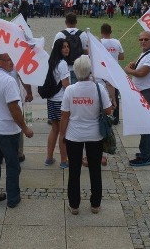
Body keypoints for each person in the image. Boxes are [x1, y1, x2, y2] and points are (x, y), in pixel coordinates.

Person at [60, 55, 113, 215]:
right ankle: (95, 204)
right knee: (95, 170)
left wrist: (62, 135)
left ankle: (74, 205)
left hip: (74, 135)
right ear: (90, 71)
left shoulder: (70, 90)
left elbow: (64, 115)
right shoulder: (99, 88)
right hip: (95, 135)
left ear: (75, 71)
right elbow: (108, 110)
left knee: (74, 171)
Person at [0, 53, 34, 209]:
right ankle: (13, 198)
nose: (12, 63)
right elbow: (14, 108)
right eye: (8, 60)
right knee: (12, 165)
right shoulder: (9, 81)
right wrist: (25, 128)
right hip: (7, 130)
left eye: (12, 59)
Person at [124, 31, 150, 167]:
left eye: (146, 39)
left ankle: (145, 156)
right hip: (144, 92)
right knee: (149, 125)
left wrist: (128, 70)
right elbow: (138, 68)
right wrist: (133, 66)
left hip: (149, 93)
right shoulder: (145, 54)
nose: (143, 41)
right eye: (140, 39)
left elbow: (141, 73)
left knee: (146, 125)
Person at [44, 38, 71, 169]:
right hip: (61, 101)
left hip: (51, 100)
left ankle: (49, 158)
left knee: (54, 129)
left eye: (67, 46)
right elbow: (66, 84)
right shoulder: (62, 64)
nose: (66, 49)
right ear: (58, 49)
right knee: (63, 132)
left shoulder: (51, 62)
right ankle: (64, 160)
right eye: (63, 47)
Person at [53, 12, 89, 83]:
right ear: (76, 22)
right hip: (79, 67)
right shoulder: (83, 34)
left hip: (65, 67)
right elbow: (86, 52)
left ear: (66, 22)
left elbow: (54, 52)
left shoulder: (60, 35)